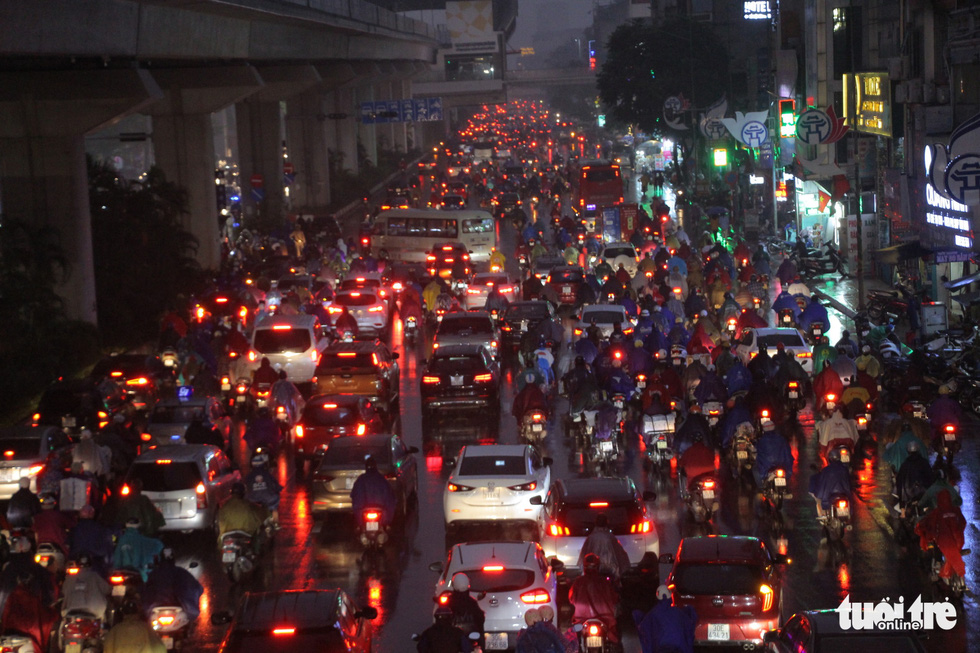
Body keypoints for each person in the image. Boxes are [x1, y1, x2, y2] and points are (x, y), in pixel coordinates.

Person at [915, 489, 967, 584]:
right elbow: (963, 522)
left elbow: (928, 524)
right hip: (958, 540)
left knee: (936, 544)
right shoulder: (955, 510)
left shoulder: (937, 512)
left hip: (945, 542)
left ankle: (939, 563)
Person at [0, 570, 59, 653]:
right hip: (29, 636)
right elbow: (42, 616)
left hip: (10, 635)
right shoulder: (32, 598)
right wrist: (54, 615)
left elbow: (5, 615)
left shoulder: (11, 596)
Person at [568, 553, 619, 644]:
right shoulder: (605, 582)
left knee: (573, 640)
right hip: (606, 619)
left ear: (584, 567)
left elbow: (571, 598)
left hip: (581, 619)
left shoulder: (578, 582)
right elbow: (614, 598)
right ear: (598, 567)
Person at [142, 547, 204, 622]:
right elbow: (195, 587)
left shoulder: (154, 573)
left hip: (156, 608)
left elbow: (146, 590)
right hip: (176, 608)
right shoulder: (181, 572)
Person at [634, 585, 697, 653]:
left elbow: (644, 628)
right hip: (678, 649)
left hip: (660, 649)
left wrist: (638, 617)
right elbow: (689, 626)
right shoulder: (678, 613)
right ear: (670, 596)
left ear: (657, 597)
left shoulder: (653, 613)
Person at [577, 513, 630, 583]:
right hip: (611, 568)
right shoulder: (610, 537)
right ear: (606, 523)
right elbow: (620, 553)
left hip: (595, 569)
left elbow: (584, 553)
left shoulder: (591, 537)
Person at [216, 483, 268, 552]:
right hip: (246, 534)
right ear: (243, 493)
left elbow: (219, 521)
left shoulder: (224, 506)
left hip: (226, 535)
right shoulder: (248, 505)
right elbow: (261, 515)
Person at [103, 599, 167, 653]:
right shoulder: (146, 628)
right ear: (138, 612)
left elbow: (107, 648)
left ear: (123, 613)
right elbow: (160, 648)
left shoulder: (115, 630)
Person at [61, 552, 111, 621]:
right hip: (93, 612)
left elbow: (64, 591)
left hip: (70, 611)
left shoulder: (69, 578)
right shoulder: (95, 576)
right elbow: (107, 589)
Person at [350, 456, 397, 527]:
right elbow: (390, 497)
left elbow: (354, 495)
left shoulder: (361, 479)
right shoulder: (381, 479)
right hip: (380, 511)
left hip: (364, 511)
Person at [69, 504, 115, 575]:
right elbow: (108, 547)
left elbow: (68, 544)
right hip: (96, 563)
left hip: (78, 561)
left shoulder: (74, 529)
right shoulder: (101, 529)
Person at [808, 449, 852, 519]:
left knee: (819, 500)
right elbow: (849, 484)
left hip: (830, 496)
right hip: (843, 494)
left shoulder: (826, 470)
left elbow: (821, 486)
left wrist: (818, 494)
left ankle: (823, 516)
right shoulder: (844, 469)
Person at [446, 573, 486, 645]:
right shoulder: (472, 603)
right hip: (470, 640)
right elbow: (480, 619)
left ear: (453, 584)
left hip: (453, 640)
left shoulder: (448, 602)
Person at [245, 450, 283, 525]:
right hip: (268, 499)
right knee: (274, 508)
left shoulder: (249, 476)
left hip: (253, 500)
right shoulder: (267, 474)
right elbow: (276, 485)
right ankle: (276, 524)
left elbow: (246, 486)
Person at [752, 421, 795, 488]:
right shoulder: (781, 439)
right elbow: (787, 452)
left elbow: (757, 450)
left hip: (767, 466)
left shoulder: (762, 441)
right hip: (782, 464)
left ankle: (761, 488)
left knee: (755, 469)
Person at [894, 440, 935, 509]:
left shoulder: (905, 464)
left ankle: (903, 513)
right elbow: (930, 477)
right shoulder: (924, 462)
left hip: (908, 494)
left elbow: (899, 479)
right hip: (922, 492)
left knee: (900, 487)